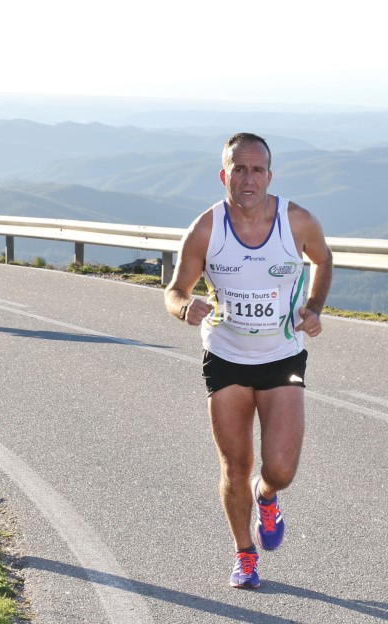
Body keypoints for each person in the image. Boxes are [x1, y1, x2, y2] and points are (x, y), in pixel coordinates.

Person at [163, 132, 333, 590]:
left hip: (282, 357)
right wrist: (183, 307)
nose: (248, 178)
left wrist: (313, 307)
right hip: (226, 357)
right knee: (234, 465)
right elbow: (175, 289)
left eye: (257, 169)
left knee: (280, 468)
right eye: (239, 169)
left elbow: (323, 259)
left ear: (269, 176)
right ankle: (244, 553)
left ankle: (269, 495)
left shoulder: (296, 221)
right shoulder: (206, 228)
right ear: (225, 175)